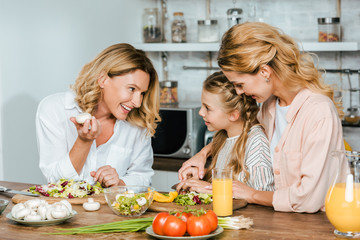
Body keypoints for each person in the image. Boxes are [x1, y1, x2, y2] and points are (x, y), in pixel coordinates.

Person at [178, 22, 347, 213]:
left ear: (265, 72)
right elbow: (243, 132)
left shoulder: (319, 113)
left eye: (240, 84)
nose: (238, 92)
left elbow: (307, 199)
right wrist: (203, 155)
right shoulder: (269, 107)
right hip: (282, 222)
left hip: (316, 225)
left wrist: (250, 193)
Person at [36, 43, 160, 187]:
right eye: (132, 89)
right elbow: (56, 182)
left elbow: (142, 176)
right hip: (66, 209)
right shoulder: (55, 109)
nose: (138, 103)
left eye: (142, 93)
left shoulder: (137, 122)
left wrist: (119, 182)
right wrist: (84, 141)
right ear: (102, 79)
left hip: (111, 210)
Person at [176, 72, 274, 194]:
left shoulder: (256, 142)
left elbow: (261, 193)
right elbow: (235, 178)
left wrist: (209, 189)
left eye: (208, 108)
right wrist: (202, 175)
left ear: (233, 114)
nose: (201, 112)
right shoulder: (224, 138)